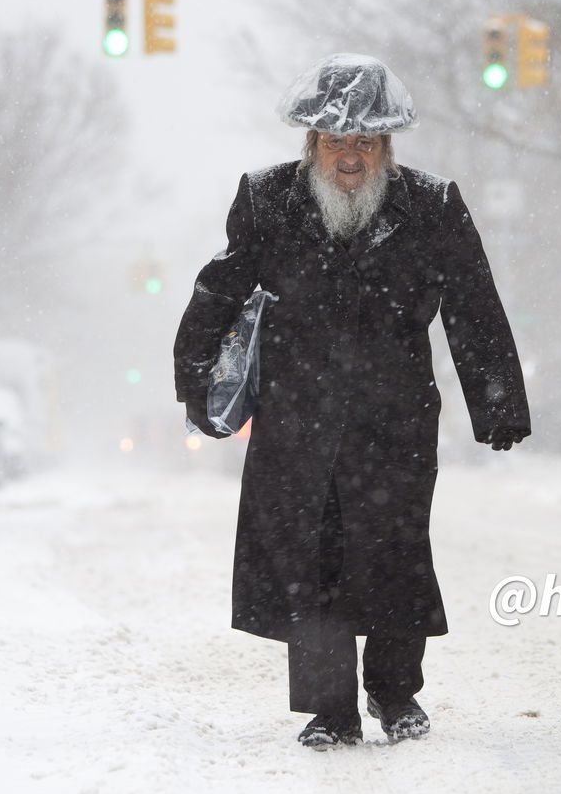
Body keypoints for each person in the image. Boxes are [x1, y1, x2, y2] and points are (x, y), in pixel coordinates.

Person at [173, 53, 530, 749]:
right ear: (311, 144)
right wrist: (197, 378)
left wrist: (497, 400)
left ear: (387, 148)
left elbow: (473, 305)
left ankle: (396, 695)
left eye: (366, 142)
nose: (350, 155)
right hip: (296, 417)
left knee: (395, 553)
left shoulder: (431, 205)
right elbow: (221, 287)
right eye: (337, 141)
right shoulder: (266, 199)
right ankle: (330, 708)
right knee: (311, 562)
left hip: (394, 417)